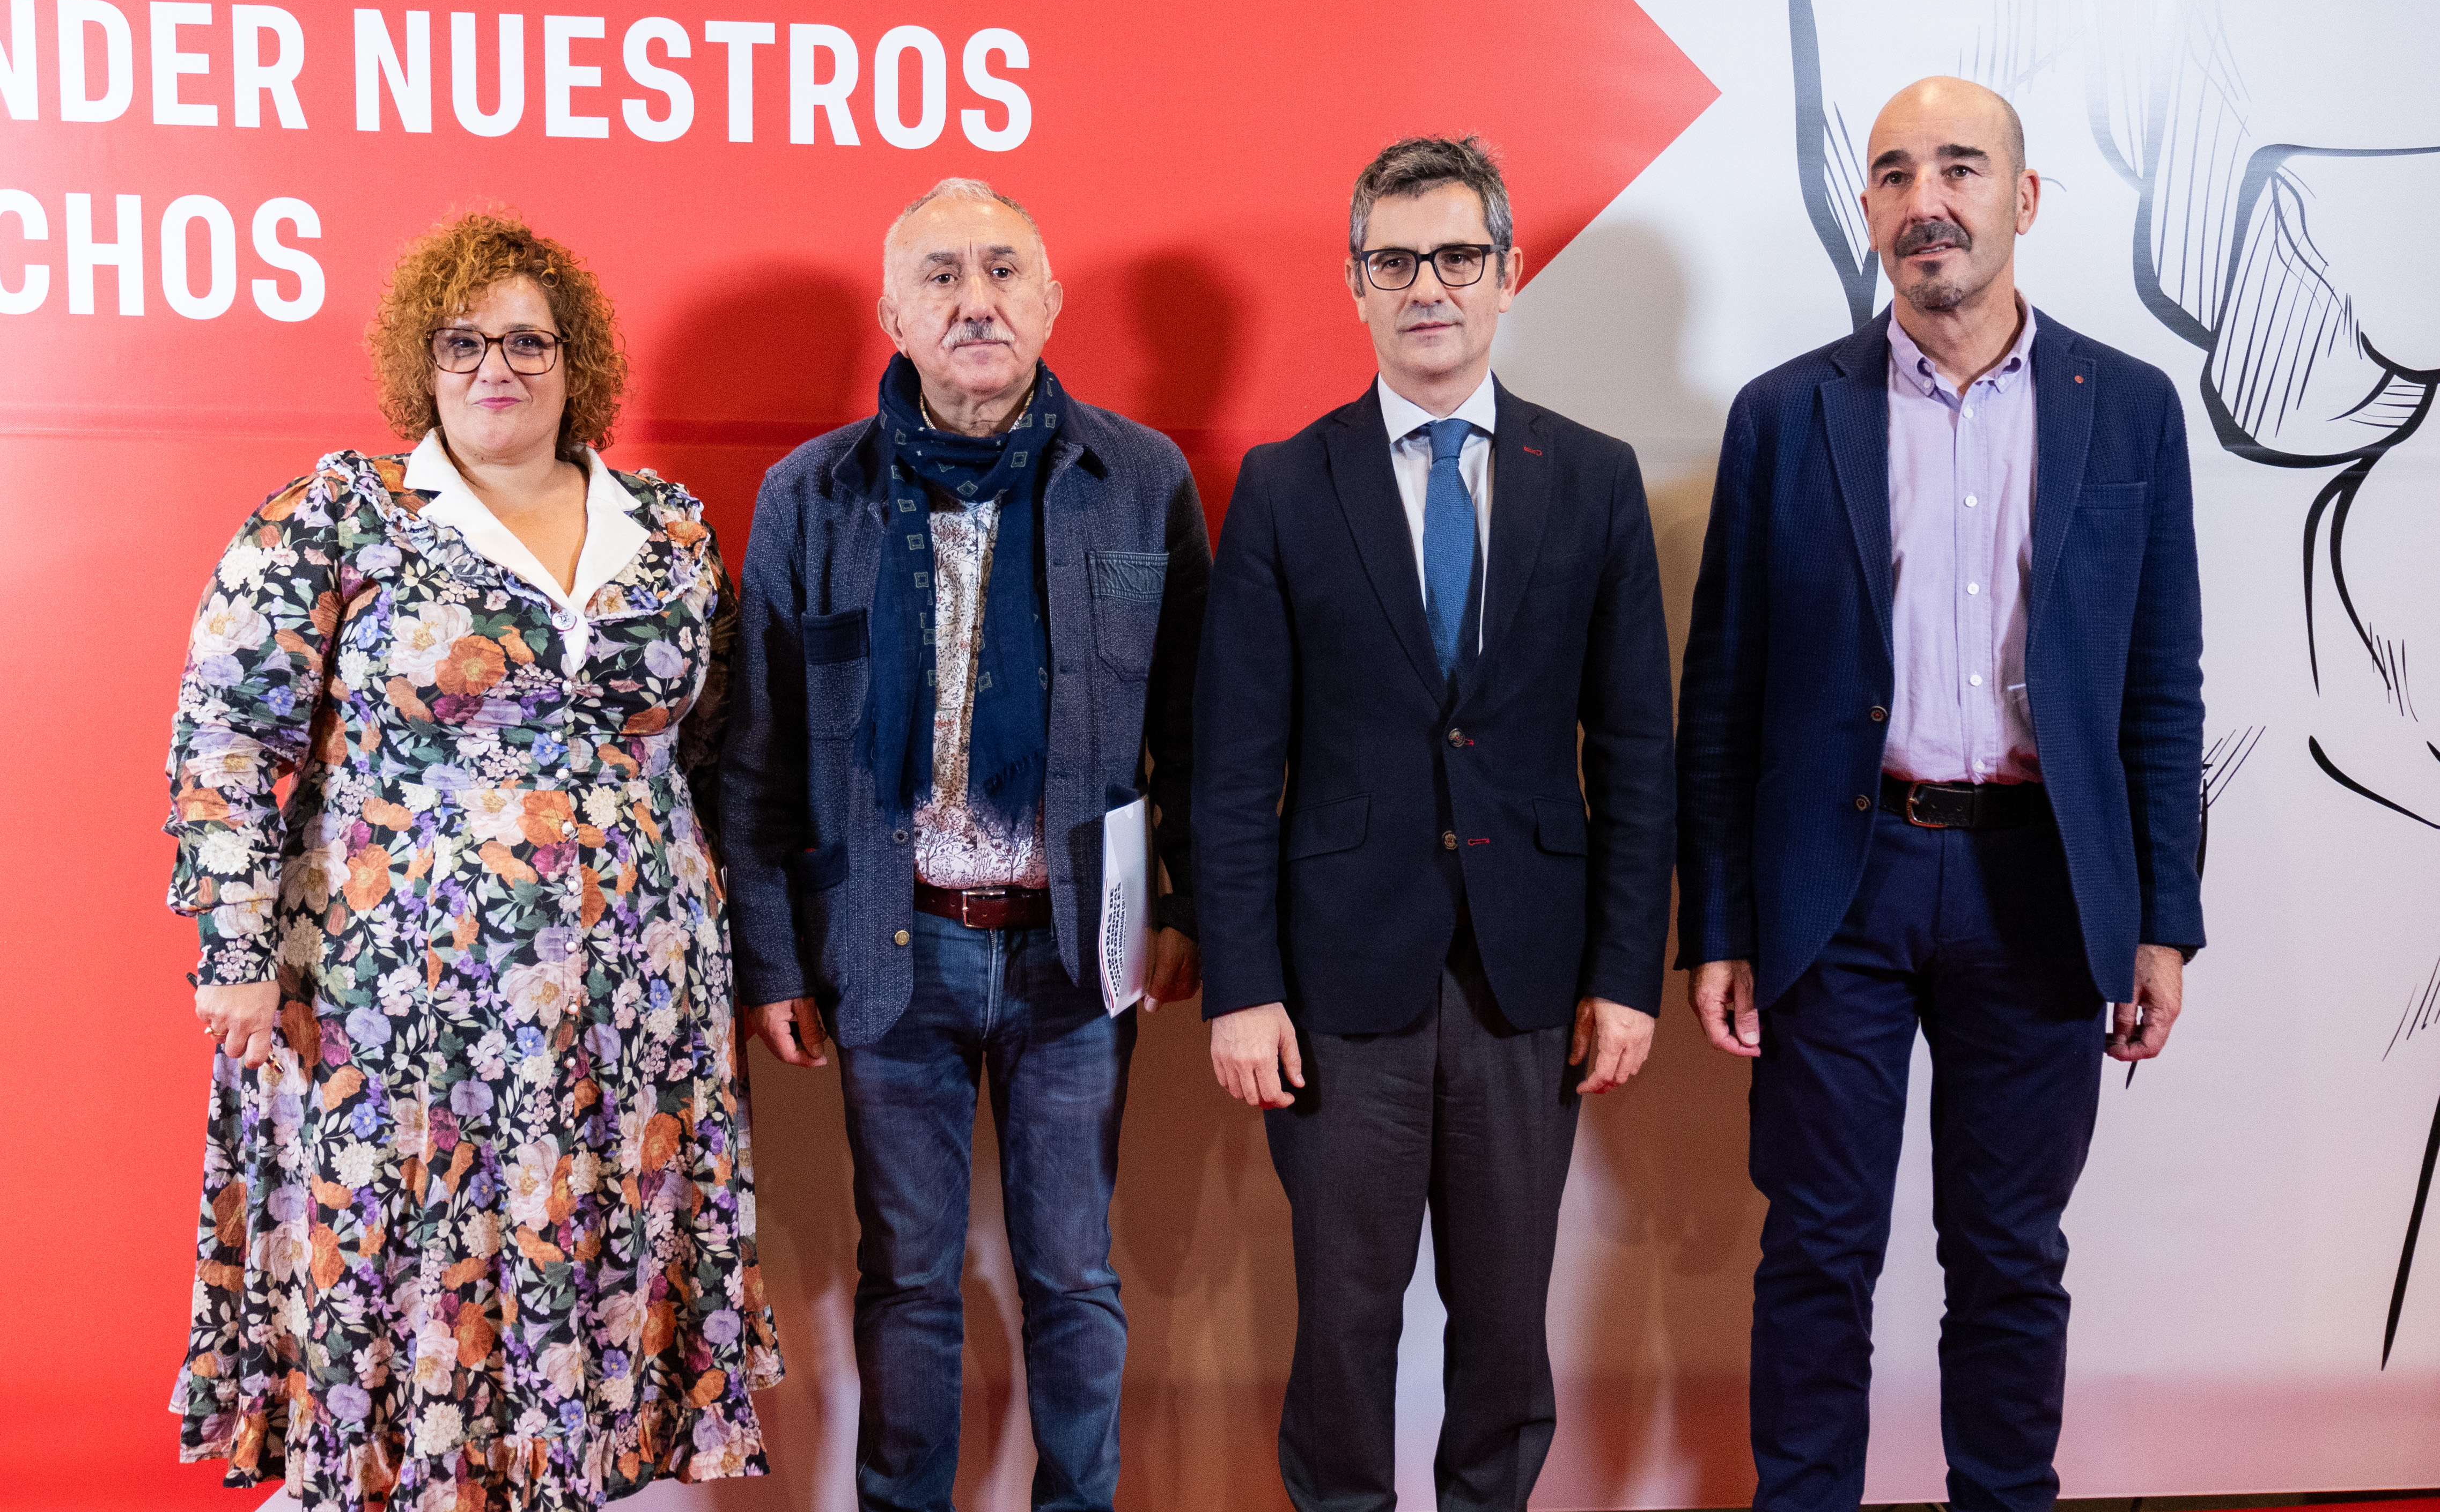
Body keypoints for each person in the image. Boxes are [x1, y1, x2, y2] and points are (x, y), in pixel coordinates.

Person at [167, 213, 782, 1508]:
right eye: (463, 341)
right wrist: (231, 947)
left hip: (631, 1009)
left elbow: (721, 750)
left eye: (526, 340)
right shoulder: (339, 515)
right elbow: (227, 730)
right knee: (408, 1279)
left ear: (576, 362)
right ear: (422, 359)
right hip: (394, 1012)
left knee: (596, 1276)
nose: (494, 366)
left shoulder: (668, 529)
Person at [1676, 77, 2205, 1512]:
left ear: (2018, 201)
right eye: (1894, 173)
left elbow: (2159, 687)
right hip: (1833, 891)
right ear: (1867, 212)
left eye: (1959, 168)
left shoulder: (2131, 412)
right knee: (1815, 1250)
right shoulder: (1786, 415)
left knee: (2009, 1252)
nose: (1926, 200)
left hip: (2037, 887)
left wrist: (2160, 919)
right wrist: (1714, 922)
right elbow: (1718, 693)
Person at [1194, 135, 1677, 1512]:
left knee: (1507, 1333)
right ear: (1355, 284)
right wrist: (1243, 988)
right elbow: (1234, 767)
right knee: (1344, 1331)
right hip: (1339, 983)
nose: (1428, 287)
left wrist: (1620, 976)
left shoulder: (1590, 478)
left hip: (1530, 979)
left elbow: (1635, 749)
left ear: (1508, 275)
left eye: (1457, 257)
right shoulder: (1289, 486)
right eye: (1394, 261)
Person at [720, 178, 1207, 1512]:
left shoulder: (1139, 482)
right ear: (893, 312)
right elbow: (755, 752)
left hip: (1073, 952)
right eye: (940, 275)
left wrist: (1189, 906)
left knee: (1071, 1273)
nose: (974, 299)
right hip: (893, 945)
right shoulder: (808, 498)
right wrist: (770, 965)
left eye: (1003, 271)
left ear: (1052, 302)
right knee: (909, 1279)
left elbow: (1199, 727)